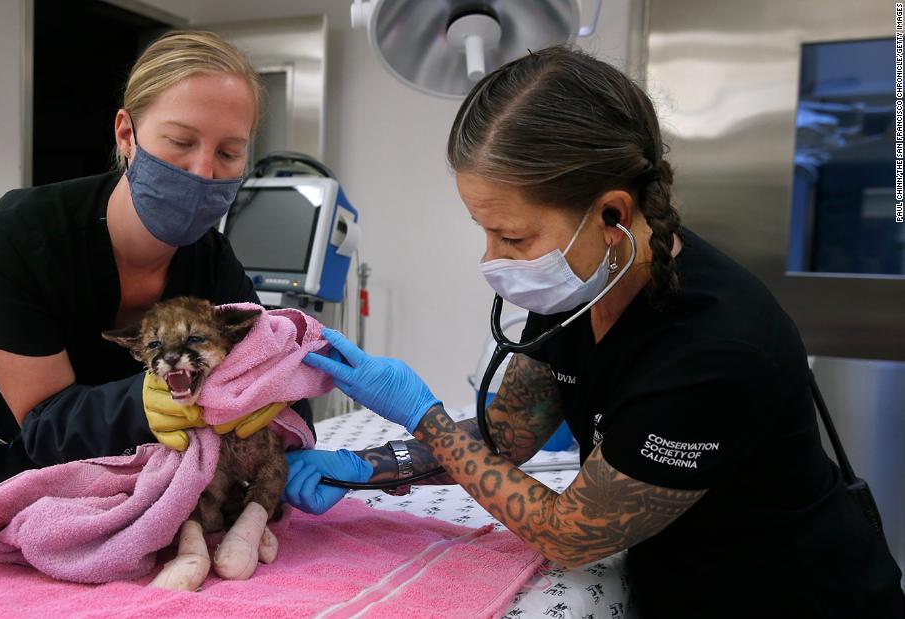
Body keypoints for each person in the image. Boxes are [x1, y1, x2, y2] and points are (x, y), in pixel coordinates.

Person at [283, 47, 903, 618]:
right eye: (485, 231)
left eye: (514, 237)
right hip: (674, 583)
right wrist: (362, 467)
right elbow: (507, 433)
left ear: (612, 214)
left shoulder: (717, 345)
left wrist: (425, 417)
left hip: (793, 601)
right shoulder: (584, 287)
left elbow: (568, 533)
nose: (492, 259)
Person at [0, 31, 312, 518]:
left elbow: (267, 363)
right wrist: (150, 401)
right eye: (180, 142)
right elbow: (44, 425)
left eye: (229, 153)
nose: (202, 171)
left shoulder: (210, 262)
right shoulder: (20, 237)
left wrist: (290, 424)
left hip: (103, 498)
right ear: (126, 133)